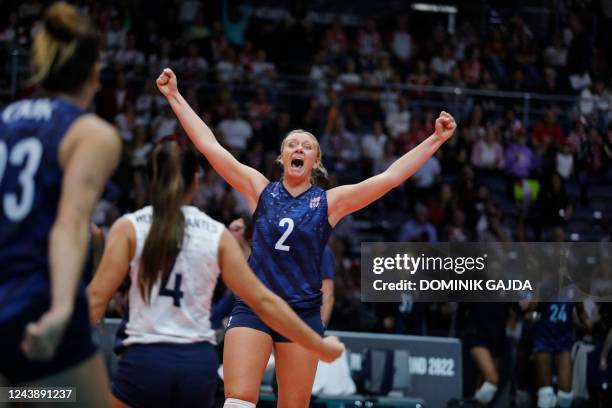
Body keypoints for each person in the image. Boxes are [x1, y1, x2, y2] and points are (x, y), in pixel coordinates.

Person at [156, 67, 456, 407]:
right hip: (255, 305)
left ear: (315, 161)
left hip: (301, 314)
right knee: (238, 400)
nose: (298, 147)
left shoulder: (330, 202)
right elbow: (210, 147)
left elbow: (389, 178)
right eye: (291, 144)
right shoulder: (260, 189)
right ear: (282, 158)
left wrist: (435, 139)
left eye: (307, 145)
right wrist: (174, 96)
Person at [87, 140, 344, 408]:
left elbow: (96, 298)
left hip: (144, 354)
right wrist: (319, 343)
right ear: (197, 182)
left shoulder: (131, 226)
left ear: (150, 180)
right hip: (195, 358)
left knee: (239, 400)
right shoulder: (215, 233)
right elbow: (263, 300)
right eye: (292, 143)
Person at [0, 2, 121, 405]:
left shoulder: (5, 120)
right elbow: (70, 225)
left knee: (20, 397)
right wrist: (62, 309)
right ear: (93, 74)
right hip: (36, 299)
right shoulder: (90, 134)